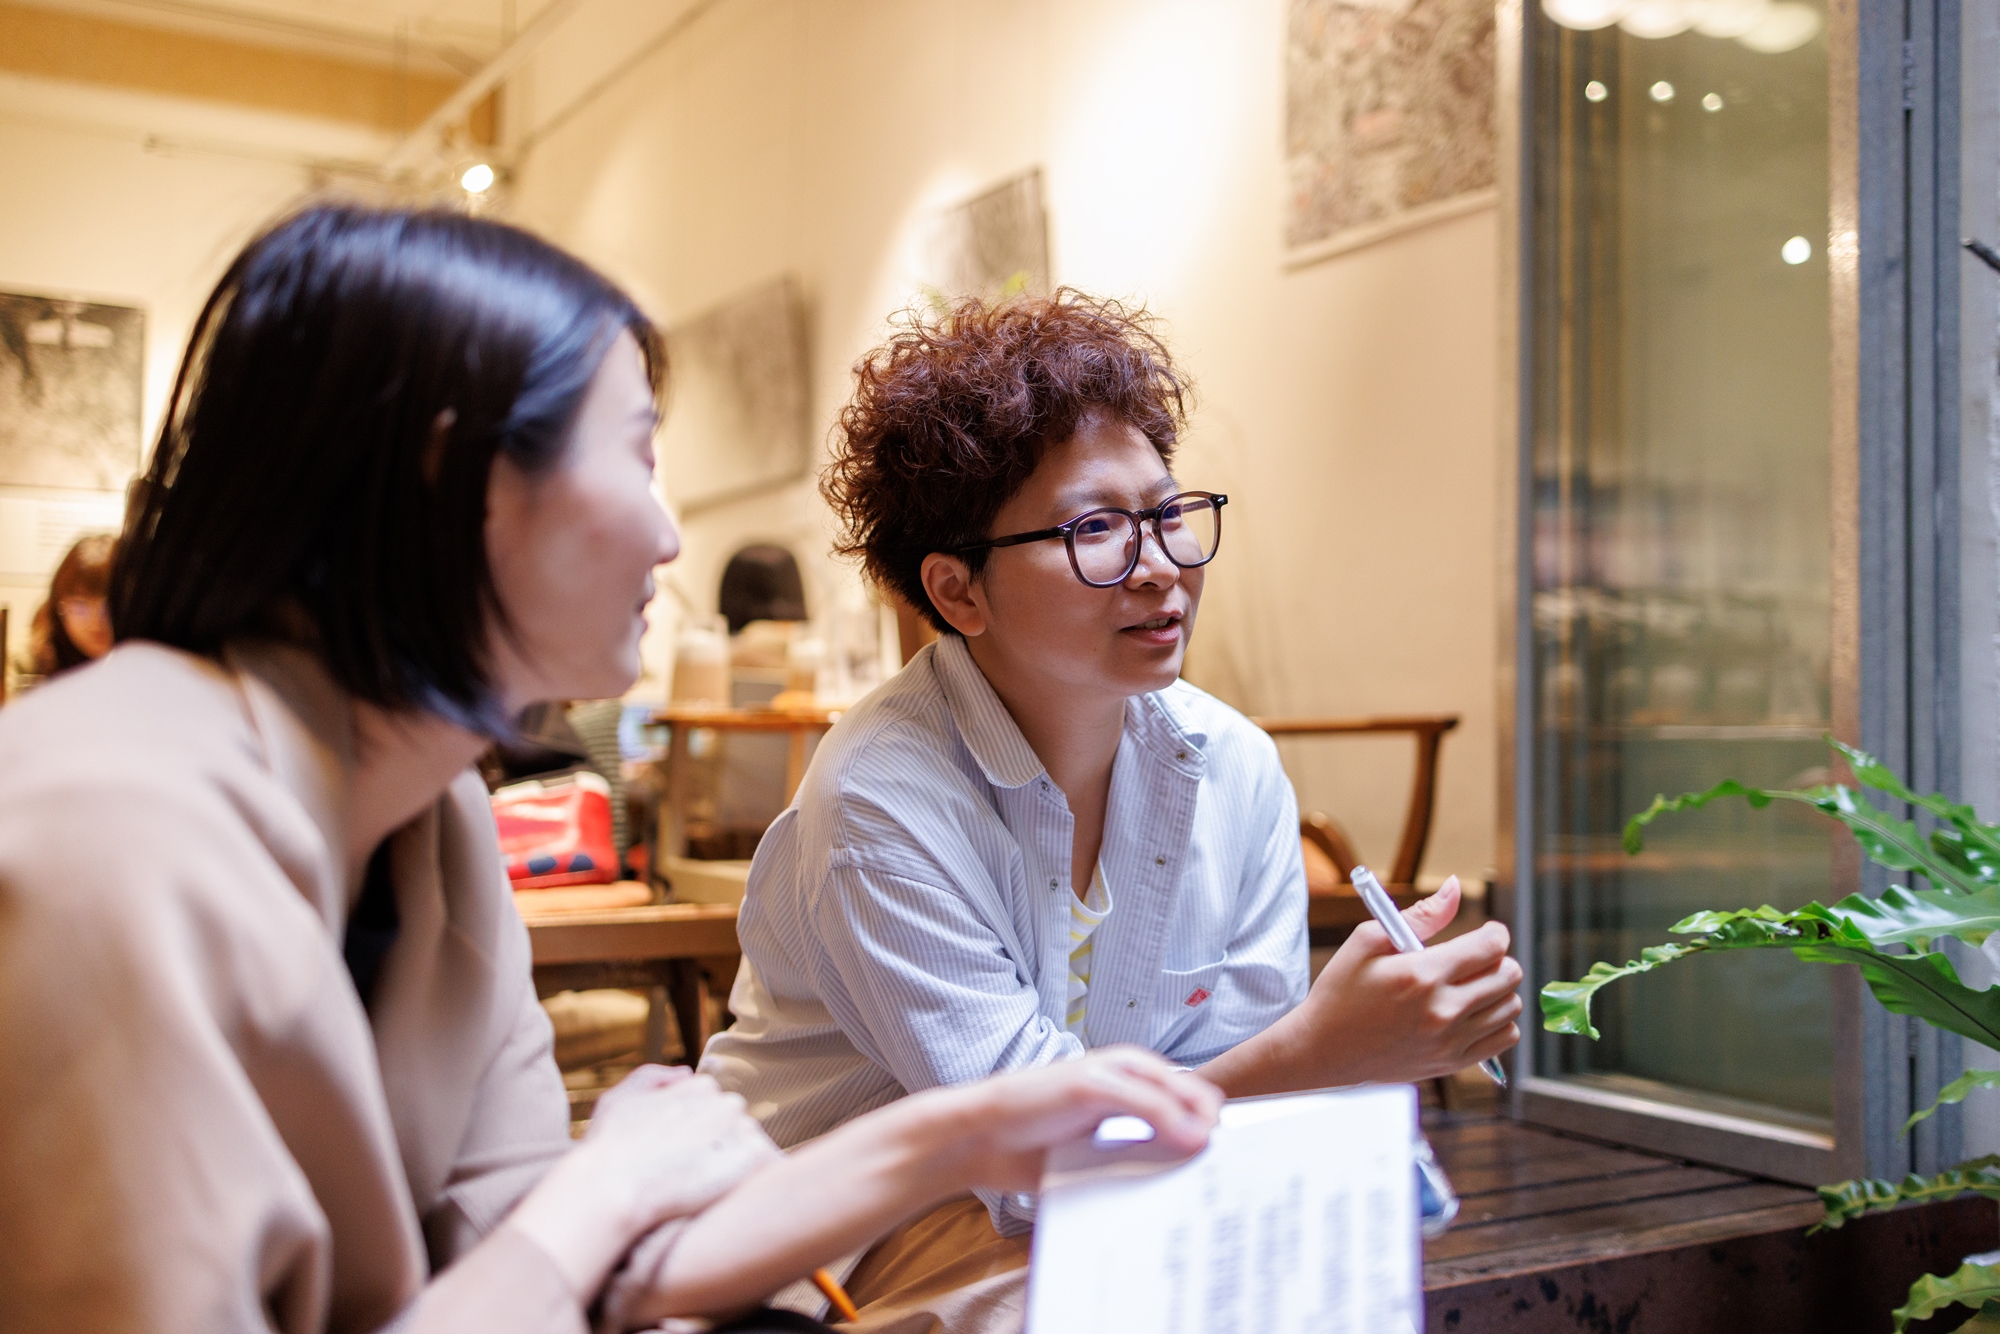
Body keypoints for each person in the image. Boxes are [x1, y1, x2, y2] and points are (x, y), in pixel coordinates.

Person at [0, 206, 1222, 1334]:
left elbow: (564, 1266)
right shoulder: (110, 829)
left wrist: (955, 1136)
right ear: (457, 479)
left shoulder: (434, 819)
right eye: (636, 458)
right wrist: (607, 1186)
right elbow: (562, 1237)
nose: (668, 534)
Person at [701, 291, 1524, 1330]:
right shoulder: (881, 802)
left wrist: (1335, 1052)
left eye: (1168, 515)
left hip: (1119, 1203)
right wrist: (1325, 1048)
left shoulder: (1231, 768)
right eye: (1095, 529)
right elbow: (1025, 1159)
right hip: (833, 1240)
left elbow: (1232, 1097)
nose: (1161, 566)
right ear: (957, 593)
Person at [26, 531, 116, 677]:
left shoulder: (148, 660)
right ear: (60, 608)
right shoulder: (38, 664)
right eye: (81, 608)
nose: (95, 622)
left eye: (107, 607)